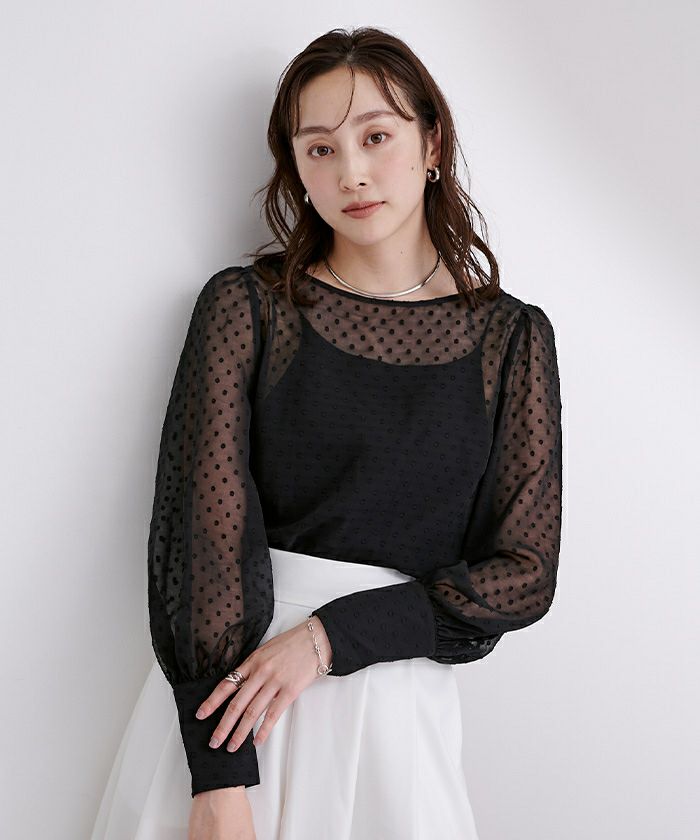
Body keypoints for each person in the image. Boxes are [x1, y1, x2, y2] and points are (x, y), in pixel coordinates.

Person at [91, 25, 563, 840]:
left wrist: (326, 639)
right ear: (296, 169)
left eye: (376, 136)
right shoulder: (249, 308)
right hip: (235, 706)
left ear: (431, 144)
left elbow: (524, 571)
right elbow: (199, 536)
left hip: (394, 714)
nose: (351, 172)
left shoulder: (512, 340)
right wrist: (219, 780)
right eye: (319, 149)